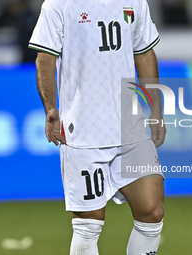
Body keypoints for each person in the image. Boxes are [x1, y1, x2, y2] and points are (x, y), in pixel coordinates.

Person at [29, 0, 166, 254]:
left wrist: (156, 107)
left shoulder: (134, 1)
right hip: (83, 132)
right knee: (89, 225)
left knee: (152, 211)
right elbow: (44, 59)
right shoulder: (59, 4)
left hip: (130, 129)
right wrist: (50, 109)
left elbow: (144, 52)